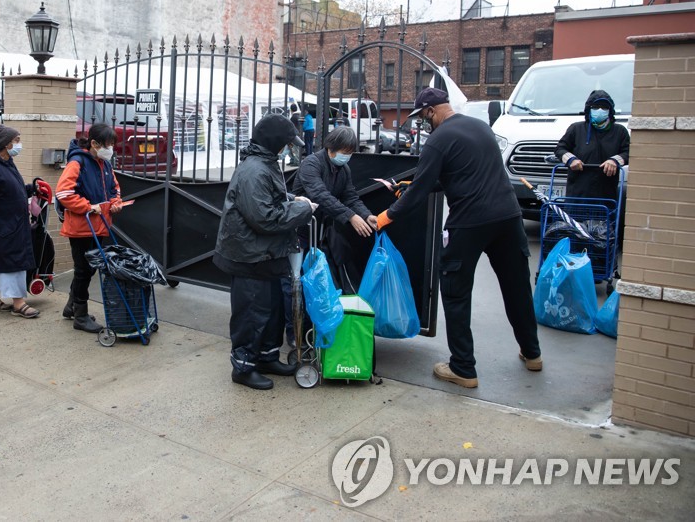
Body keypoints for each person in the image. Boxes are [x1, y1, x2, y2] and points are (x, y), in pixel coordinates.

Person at [376, 87, 542, 389]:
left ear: (431, 111)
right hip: (508, 217)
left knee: (455, 291)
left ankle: (463, 368)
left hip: (470, 223)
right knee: (517, 286)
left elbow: (421, 192)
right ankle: (532, 354)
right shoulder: (479, 127)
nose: (423, 123)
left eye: (423, 117)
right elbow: (462, 173)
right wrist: (409, 184)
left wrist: (386, 216)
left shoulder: (438, 140)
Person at [214, 114, 315, 390]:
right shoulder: (255, 170)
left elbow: (271, 199)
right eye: (284, 143)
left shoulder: (265, 164)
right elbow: (265, 216)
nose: (286, 148)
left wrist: (294, 200)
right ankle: (244, 367)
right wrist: (303, 209)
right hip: (249, 256)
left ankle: (267, 356)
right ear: (273, 143)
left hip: (265, 255)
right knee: (251, 313)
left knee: (269, 310)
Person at [0, 121, 51, 318]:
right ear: (6, 144)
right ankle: (18, 303)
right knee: (14, 264)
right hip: (1, 227)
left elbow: (10, 190)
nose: (19, 144)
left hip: (6, 225)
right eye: (17, 140)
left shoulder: (6, 163)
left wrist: (32, 189)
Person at [55, 123, 124, 334]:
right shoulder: (77, 163)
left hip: (99, 226)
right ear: (94, 143)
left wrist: (115, 202)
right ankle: (81, 316)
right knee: (84, 271)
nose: (110, 149)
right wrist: (88, 207)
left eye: (112, 145)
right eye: (108, 145)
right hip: (81, 228)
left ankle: (71, 306)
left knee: (87, 269)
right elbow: (63, 193)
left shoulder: (105, 164)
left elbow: (114, 188)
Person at [292, 125, 378, 293]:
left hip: (320, 232)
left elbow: (350, 197)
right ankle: (296, 318)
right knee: (297, 279)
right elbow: (320, 195)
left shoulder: (343, 169)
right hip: (300, 231)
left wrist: (366, 215)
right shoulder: (311, 163)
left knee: (317, 281)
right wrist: (351, 216)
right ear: (331, 147)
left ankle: (313, 318)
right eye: (344, 152)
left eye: (349, 153)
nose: (346, 157)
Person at [554, 89, 630, 201]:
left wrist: (615, 161)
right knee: (576, 217)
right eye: (595, 107)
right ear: (588, 110)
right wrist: (571, 159)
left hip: (606, 194)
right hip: (578, 192)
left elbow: (629, 152)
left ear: (610, 111)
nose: (600, 110)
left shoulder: (620, 131)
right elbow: (560, 148)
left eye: (604, 108)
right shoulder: (576, 129)